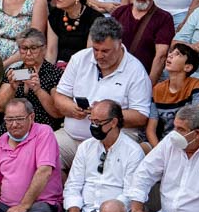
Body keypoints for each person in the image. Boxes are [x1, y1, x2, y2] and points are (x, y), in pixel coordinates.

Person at [53, 16, 152, 164]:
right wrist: (72, 109)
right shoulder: (79, 59)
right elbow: (59, 97)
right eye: (95, 49)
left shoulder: (135, 70)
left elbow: (140, 116)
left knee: (96, 165)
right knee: (43, 153)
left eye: (105, 51)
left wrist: (104, 114)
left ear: (120, 44)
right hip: (71, 138)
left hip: (112, 141)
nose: (99, 56)